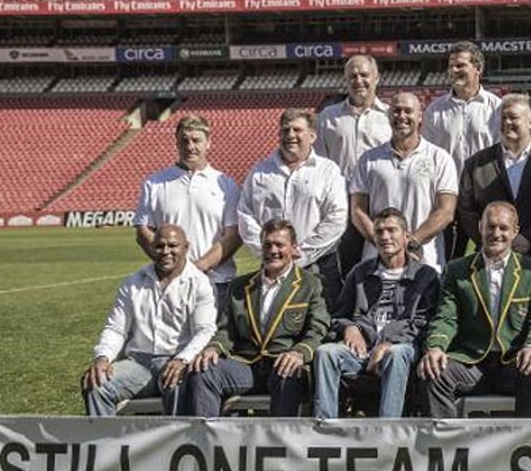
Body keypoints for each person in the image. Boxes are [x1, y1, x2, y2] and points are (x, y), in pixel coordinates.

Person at [186, 219, 330, 417]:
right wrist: (215, 347)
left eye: (280, 245)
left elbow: (318, 329)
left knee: (288, 372)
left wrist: (299, 353)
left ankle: (278, 444)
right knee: (204, 370)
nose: (273, 250)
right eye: (267, 245)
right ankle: (208, 442)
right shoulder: (240, 286)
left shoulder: (310, 284)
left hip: (283, 364)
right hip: (246, 364)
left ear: (294, 248)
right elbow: (226, 330)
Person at [418, 202, 531, 418]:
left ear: (515, 232)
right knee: (434, 372)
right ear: (480, 227)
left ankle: (525, 445)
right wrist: (436, 347)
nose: (496, 234)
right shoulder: (457, 270)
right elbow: (446, 318)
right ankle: (448, 445)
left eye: (503, 228)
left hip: (513, 361)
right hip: (471, 361)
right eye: (491, 227)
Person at [312, 208, 440, 420]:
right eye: (379, 232)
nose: (385, 237)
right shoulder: (360, 273)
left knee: (396, 354)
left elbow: (423, 321)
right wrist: (349, 327)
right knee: (326, 352)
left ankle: (387, 429)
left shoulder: (425, 276)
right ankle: (325, 426)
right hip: (361, 350)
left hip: (404, 348)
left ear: (406, 236)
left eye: (392, 231)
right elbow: (338, 315)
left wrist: (388, 342)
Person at [82, 224, 215, 416]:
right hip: (137, 364)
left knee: (181, 385)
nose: (166, 252)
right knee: (96, 382)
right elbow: (116, 328)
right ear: (152, 248)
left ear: (186, 247)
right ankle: (108, 444)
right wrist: (103, 358)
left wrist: (182, 360)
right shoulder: (134, 282)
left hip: (176, 360)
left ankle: (176, 444)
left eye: (173, 246)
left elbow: (204, 330)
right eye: (160, 246)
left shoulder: (199, 283)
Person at [237, 108, 347, 309]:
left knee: (322, 327)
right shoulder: (260, 171)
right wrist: (269, 251)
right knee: (272, 326)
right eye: (285, 130)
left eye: (297, 130)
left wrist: (302, 253)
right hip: (272, 266)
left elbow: (337, 217)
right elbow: (245, 215)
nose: (291, 136)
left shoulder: (328, 170)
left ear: (312, 136)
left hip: (318, 266)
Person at [134, 115, 241, 303]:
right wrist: (174, 267)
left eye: (196, 140)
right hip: (168, 283)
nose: (190, 146)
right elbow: (143, 232)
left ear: (208, 143)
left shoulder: (226, 185)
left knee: (215, 333)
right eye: (185, 140)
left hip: (217, 283)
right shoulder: (154, 183)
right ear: (176, 143)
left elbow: (233, 236)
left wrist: (197, 268)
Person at [351, 92, 458, 271]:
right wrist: (383, 242)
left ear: (419, 116)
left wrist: (412, 241)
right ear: (388, 115)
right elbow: (358, 210)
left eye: (408, 111)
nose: (401, 116)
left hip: (425, 262)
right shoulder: (368, 159)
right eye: (396, 111)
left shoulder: (440, 158)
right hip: (376, 262)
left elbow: (446, 211)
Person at [457, 94, 531, 270]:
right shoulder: (476, 164)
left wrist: (529, 240)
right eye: (503, 118)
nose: (507, 122)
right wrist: (493, 239)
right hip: (491, 259)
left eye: (513, 117)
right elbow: (466, 210)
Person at [423, 41, 502, 260]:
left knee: (487, 253)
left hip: (484, 192)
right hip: (446, 193)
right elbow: (427, 154)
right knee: (446, 255)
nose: (453, 71)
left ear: (478, 68)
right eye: (450, 66)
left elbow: (500, 152)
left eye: (460, 65)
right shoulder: (435, 110)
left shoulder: (496, 107)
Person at [315, 55, 391, 279]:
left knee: (380, 266)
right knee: (341, 270)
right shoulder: (329, 117)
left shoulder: (390, 116)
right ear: (345, 80)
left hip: (378, 205)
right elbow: (320, 163)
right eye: (353, 76)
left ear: (376, 78)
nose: (359, 80)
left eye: (364, 75)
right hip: (341, 207)